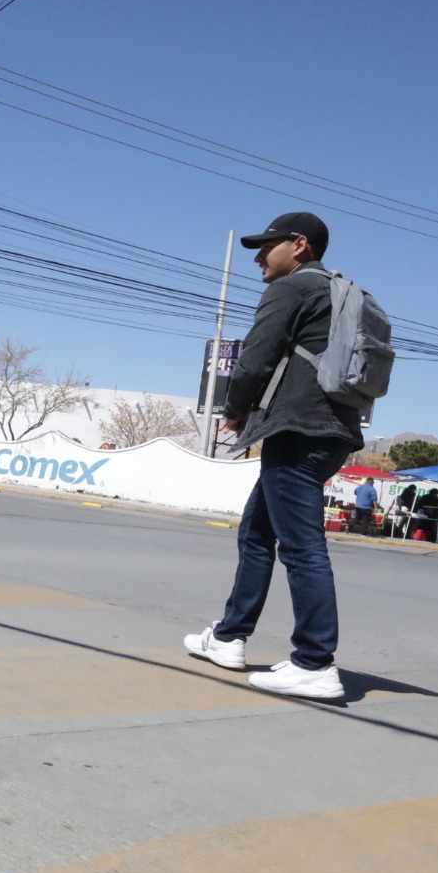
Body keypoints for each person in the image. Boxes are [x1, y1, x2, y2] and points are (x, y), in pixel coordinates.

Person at [183, 212, 364, 700]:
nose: (260, 256)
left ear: (299, 245)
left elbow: (255, 357)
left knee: (302, 546)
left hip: (297, 428)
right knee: (257, 533)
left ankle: (315, 662)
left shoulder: (292, 288)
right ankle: (228, 637)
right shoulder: (340, 293)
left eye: (268, 246)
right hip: (334, 430)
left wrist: (236, 409)